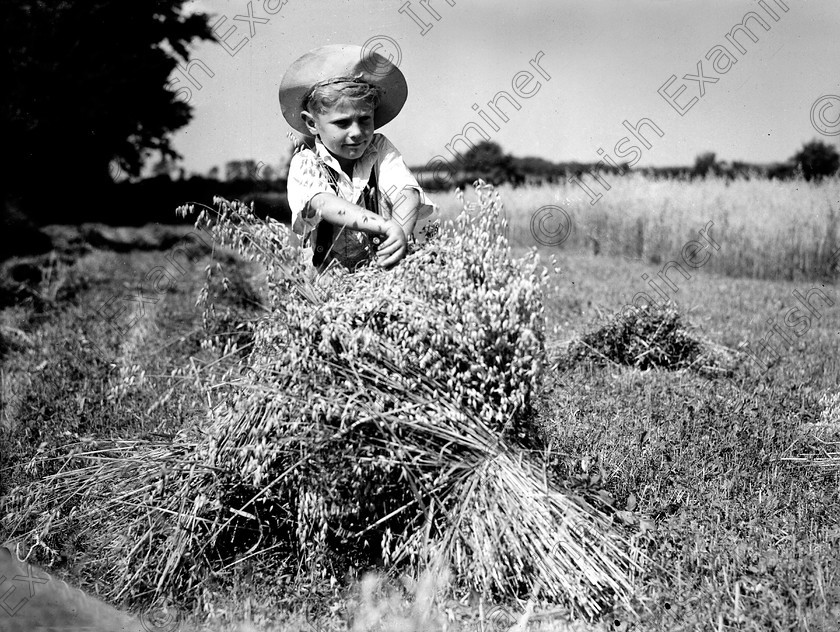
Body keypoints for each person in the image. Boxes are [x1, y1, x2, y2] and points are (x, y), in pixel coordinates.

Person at [280, 44, 435, 273]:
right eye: (342, 123)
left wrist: (399, 233)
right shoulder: (305, 162)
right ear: (312, 123)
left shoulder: (379, 148)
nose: (356, 132)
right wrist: (384, 225)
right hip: (328, 280)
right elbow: (324, 204)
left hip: (380, 274)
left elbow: (407, 191)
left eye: (364, 119)